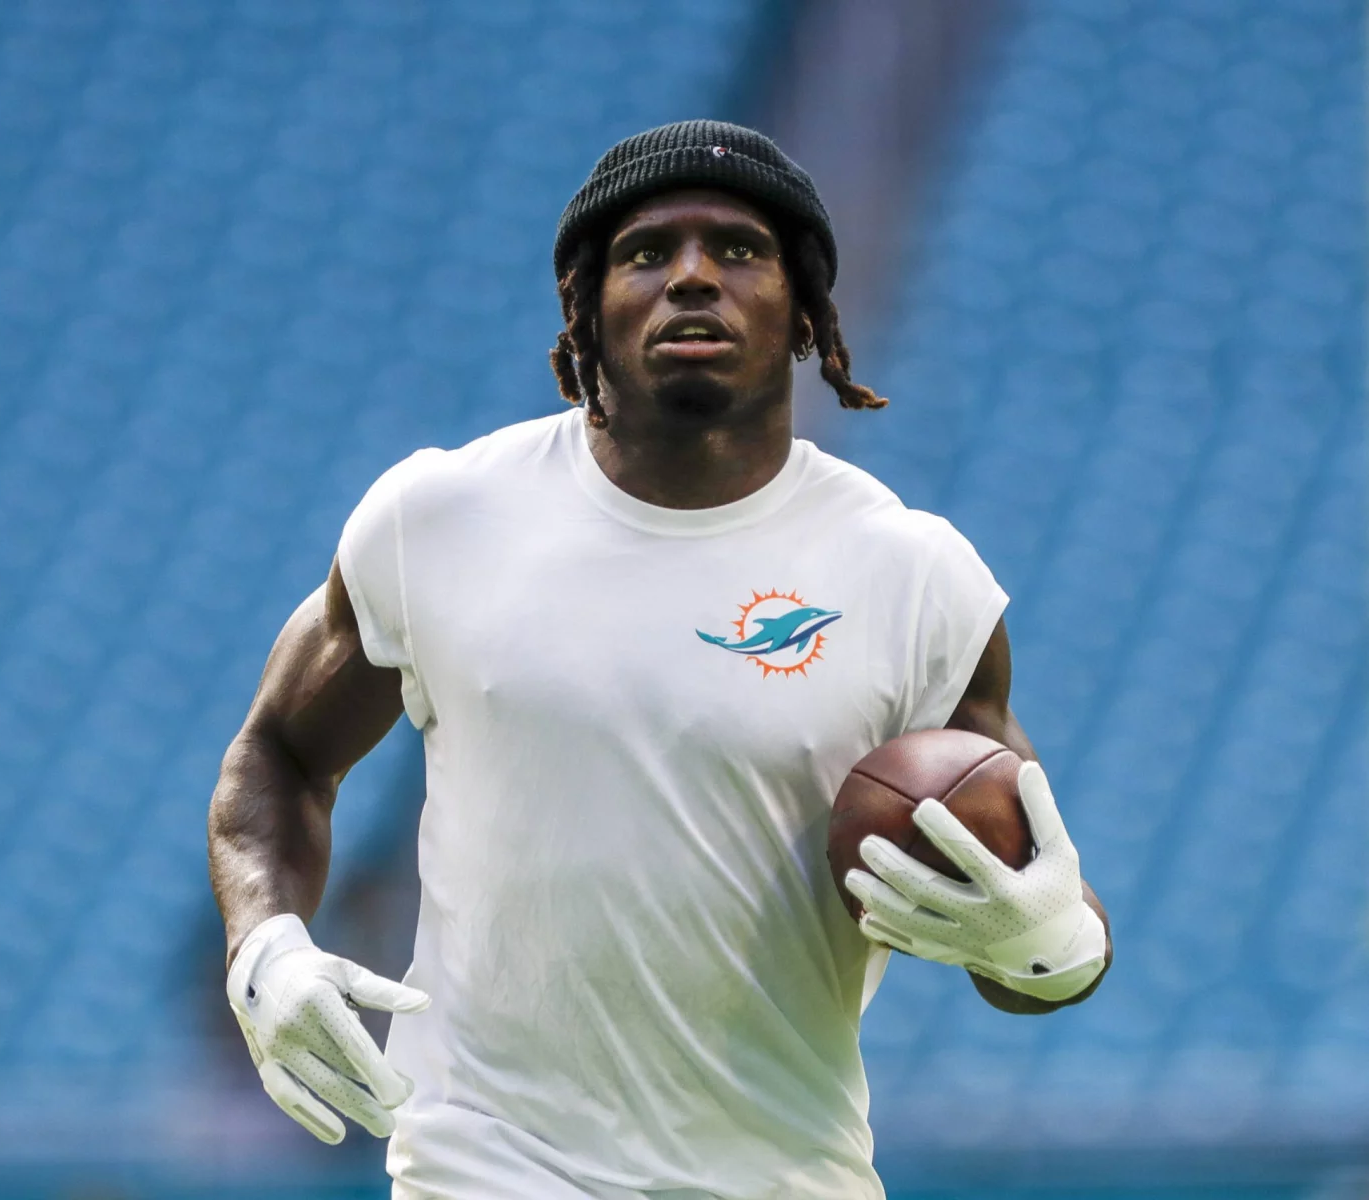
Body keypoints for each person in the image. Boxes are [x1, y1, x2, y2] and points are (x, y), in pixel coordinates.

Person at [207, 120, 1112, 1200]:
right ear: (586, 307)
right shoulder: (437, 519)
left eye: (738, 250)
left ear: (806, 311)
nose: (691, 277)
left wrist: (1050, 938)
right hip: (484, 1174)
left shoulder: (914, 578)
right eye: (646, 252)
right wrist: (265, 947)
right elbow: (278, 761)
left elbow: (1037, 948)